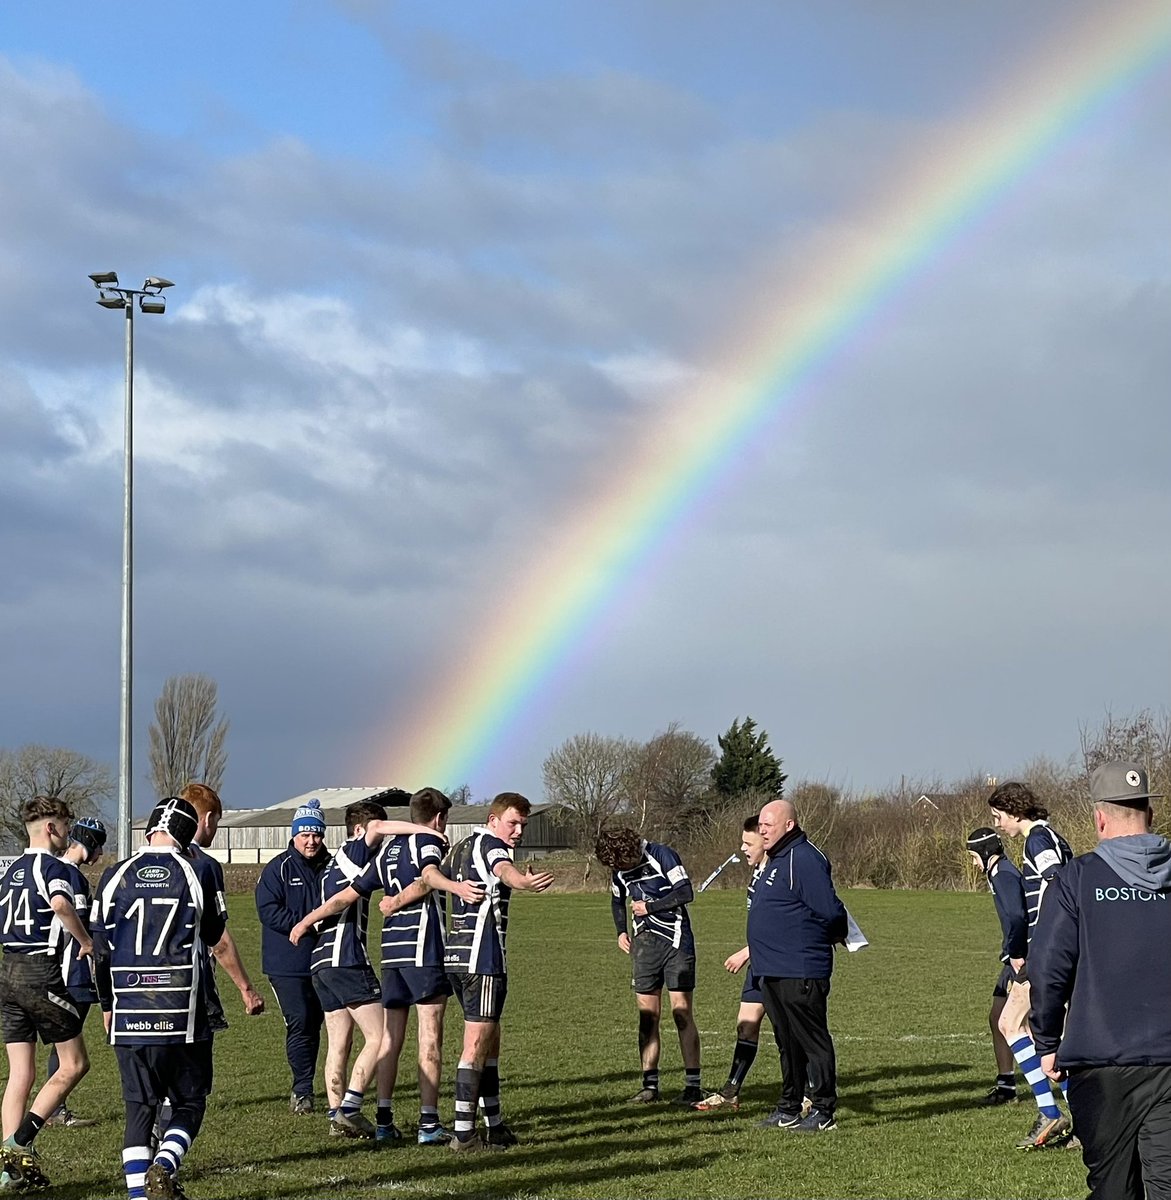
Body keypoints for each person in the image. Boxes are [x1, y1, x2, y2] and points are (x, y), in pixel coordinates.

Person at [1030, 760, 1171, 1199]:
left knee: (1111, 1188)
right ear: (1149, 812)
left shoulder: (1076, 879)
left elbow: (1048, 968)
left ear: (1100, 817)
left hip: (1102, 1065)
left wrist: (1046, 1042)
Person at [93, 795, 226, 1200]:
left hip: (129, 1004)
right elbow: (215, 935)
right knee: (190, 1100)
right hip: (181, 1007)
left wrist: (106, 1005)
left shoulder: (114, 874)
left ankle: (138, 1195)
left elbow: (99, 951)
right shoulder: (198, 870)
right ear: (187, 837)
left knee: (139, 1108)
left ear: (150, 830)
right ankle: (164, 1164)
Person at [288, 802, 436, 1140]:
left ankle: (335, 1117)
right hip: (346, 959)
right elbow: (376, 830)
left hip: (320, 963)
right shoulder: (355, 849)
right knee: (381, 1035)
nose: (382, 839)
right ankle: (350, 1108)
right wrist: (426, 831)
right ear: (358, 830)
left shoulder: (329, 866)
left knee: (338, 1042)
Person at [372, 788, 484, 1145]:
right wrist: (457, 887)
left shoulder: (387, 850)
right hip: (423, 949)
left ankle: (383, 1120)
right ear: (438, 818)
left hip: (392, 952)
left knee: (390, 1040)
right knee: (430, 1036)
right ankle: (428, 1124)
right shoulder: (428, 840)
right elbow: (429, 876)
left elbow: (358, 888)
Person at [443, 792, 554, 1152]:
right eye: (513, 822)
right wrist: (524, 881)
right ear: (493, 820)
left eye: (523, 824)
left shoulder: (462, 846)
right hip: (483, 959)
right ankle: (463, 1134)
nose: (519, 830)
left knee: (490, 1042)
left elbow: (431, 874)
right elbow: (503, 870)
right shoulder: (493, 846)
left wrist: (398, 900)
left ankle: (495, 1125)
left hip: (457, 958)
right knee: (476, 1045)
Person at [0, 797, 93, 1191]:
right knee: (74, 1064)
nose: (68, 834)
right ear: (51, 829)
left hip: (6, 970)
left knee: (20, 1072)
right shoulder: (56, 869)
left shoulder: (8, 872)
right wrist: (85, 941)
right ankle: (18, 1143)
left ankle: (9, 1171)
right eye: (66, 827)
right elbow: (59, 904)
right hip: (40, 971)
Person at [748, 797, 847, 1134]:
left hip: (801, 969)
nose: (762, 830)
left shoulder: (803, 858)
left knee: (812, 1040)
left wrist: (820, 941)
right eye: (760, 824)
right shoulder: (775, 857)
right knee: (786, 1042)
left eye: (768, 824)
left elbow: (832, 912)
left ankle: (823, 1110)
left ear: (788, 825)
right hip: (772, 969)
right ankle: (789, 1106)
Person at [988, 780, 1073, 1149]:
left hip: (1047, 952)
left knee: (1010, 1023)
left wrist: (1046, 946)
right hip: (1049, 950)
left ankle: (1055, 1112)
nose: (997, 824)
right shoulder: (1048, 838)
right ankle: (1063, 1111)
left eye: (998, 816)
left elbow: (1058, 887)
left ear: (1015, 811)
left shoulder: (1038, 840)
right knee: (1030, 1029)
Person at [595, 827, 703, 1107]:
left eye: (623, 862)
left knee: (681, 1013)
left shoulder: (662, 855)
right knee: (647, 1017)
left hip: (677, 942)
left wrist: (650, 907)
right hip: (644, 947)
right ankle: (649, 1086)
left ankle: (693, 1086)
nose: (620, 868)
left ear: (631, 851)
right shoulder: (618, 868)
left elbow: (686, 892)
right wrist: (621, 930)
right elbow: (617, 899)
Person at [254, 798, 332, 1116]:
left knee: (317, 1023)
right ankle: (302, 1091)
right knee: (300, 1021)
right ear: (294, 835)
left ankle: (320, 1086)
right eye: (305, 835)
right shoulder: (278, 869)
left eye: (316, 834)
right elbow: (268, 911)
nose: (311, 841)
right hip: (287, 962)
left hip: (325, 958)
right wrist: (308, 923)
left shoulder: (332, 866)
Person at [693, 816, 773, 1112]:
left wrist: (746, 952)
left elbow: (783, 926)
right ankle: (730, 1092)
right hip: (760, 966)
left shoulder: (779, 873)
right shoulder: (757, 873)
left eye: (747, 843)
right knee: (746, 1026)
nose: (742, 849)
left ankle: (807, 1094)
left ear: (766, 841)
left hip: (778, 966)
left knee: (790, 1032)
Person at [44, 816, 108, 1128]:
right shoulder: (74, 879)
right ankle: (55, 1109)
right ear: (91, 843)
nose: (100, 855)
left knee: (65, 1040)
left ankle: (55, 1107)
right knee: (68, 1041)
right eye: (100, 846)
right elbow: (81, 925)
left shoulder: (56, 871)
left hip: (56, 969)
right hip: (73, 973)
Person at [965, 826, 1027, 1106]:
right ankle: (1007, 1086)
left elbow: (1017, 915)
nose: (973, 862)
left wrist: (1015, 952)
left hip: (1021, 959)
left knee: (1022, 1024)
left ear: (985, 852)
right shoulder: (996, 874)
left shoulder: (1003, 875)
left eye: (973, 856)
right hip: (1011, 959)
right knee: (997, 1017)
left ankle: (1064, 1086)